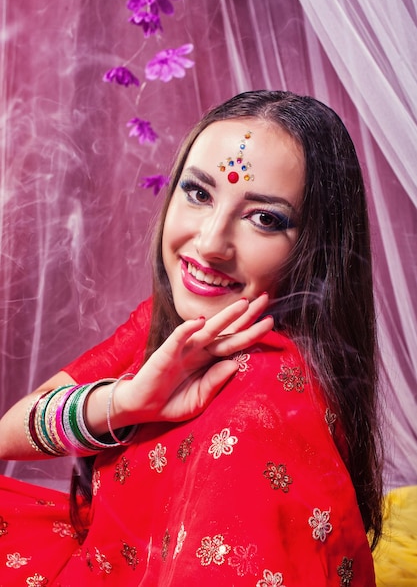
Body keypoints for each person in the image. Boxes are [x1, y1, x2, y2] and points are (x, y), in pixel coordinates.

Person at [0, 90, 383, 586]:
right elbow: (11, 430)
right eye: (199, 193)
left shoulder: (267, 411)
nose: (208, 242)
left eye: (264, 218)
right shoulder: (173, 328)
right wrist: (130, 400)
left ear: (316, 251)